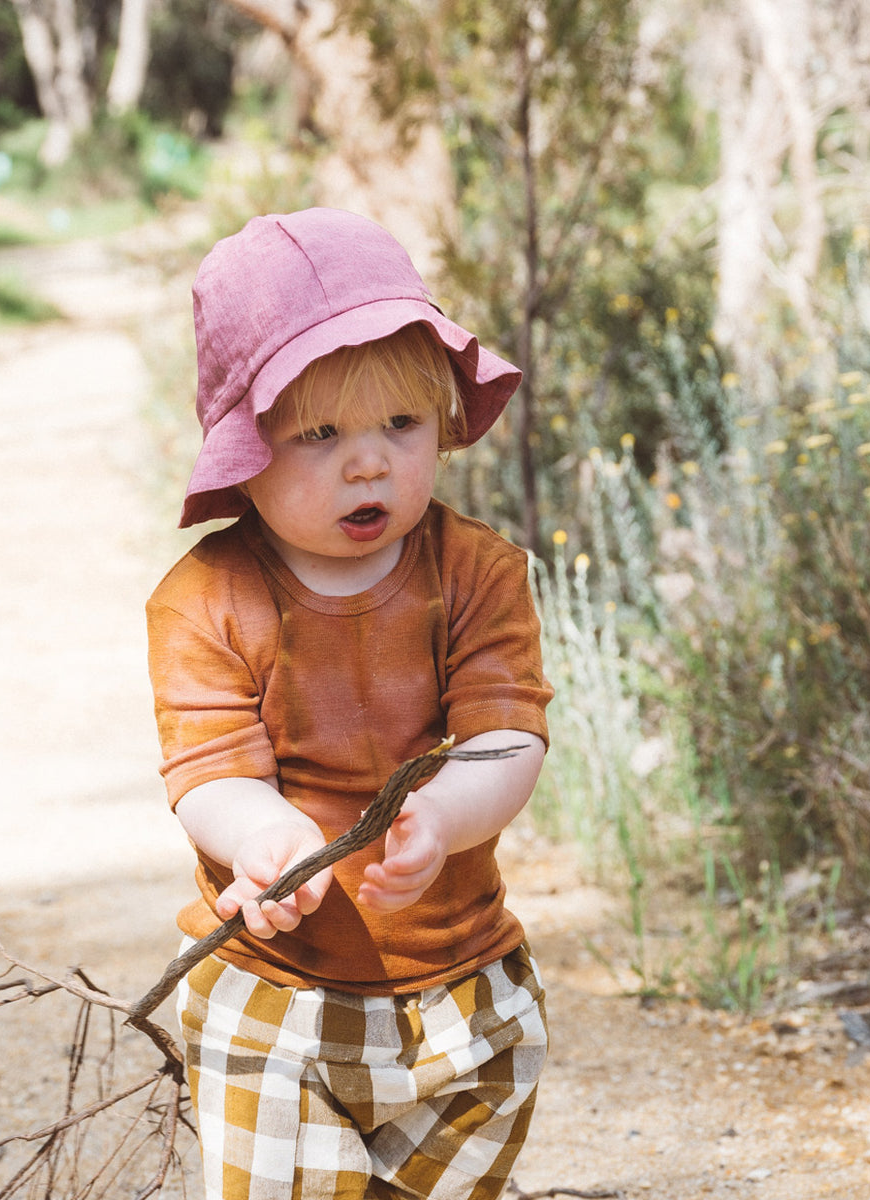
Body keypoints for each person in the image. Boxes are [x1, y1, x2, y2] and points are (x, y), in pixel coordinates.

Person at [146, 206, 554, 1200]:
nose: (370, 462)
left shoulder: (475, 573)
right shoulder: (206, 598)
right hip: (277, 998)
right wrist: (264, 839)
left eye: (401, 425)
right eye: (320, 433)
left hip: (462, 989)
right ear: (248, 450)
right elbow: (209, 771)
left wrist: (446, 814)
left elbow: (509, 731)